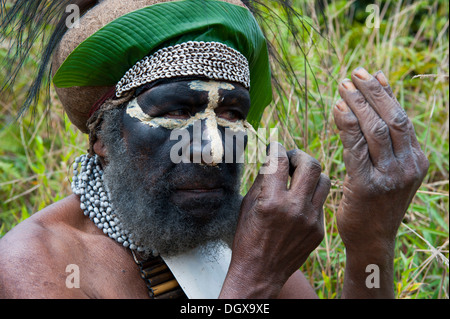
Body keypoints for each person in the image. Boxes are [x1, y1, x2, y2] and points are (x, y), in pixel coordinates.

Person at [0, 0, 428, 299]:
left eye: (231, 116)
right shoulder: (38, 263)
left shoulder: (232, 240)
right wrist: (254, 278)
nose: (209, 148)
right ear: (103, 139)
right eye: (177, 111)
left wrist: (371, 240)